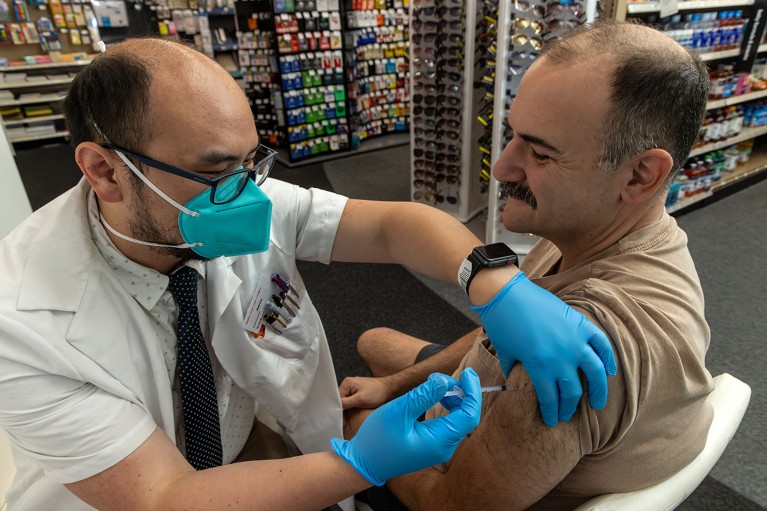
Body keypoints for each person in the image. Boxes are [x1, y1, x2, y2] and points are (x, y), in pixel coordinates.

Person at [0, 38, 615, 510]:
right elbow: (167, 497)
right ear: (104, 171)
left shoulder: (232, 204)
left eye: (251, 163)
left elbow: (391, 226)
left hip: (247, 436)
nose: (248, 197)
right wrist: (361, 464)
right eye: (218, 173)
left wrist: (493, 278)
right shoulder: (22, 325)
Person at [340, 20, 715, 510]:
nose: (501, 168)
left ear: (641, 174)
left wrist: (364, 437)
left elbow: (453, 506)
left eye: (539, 153)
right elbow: (496, 336)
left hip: (464, 478)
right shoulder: (601, 231)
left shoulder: (578, 352)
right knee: (375, 344)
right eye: (512, 135)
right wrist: (392, 387)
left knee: (337, 415)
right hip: (486, 402)